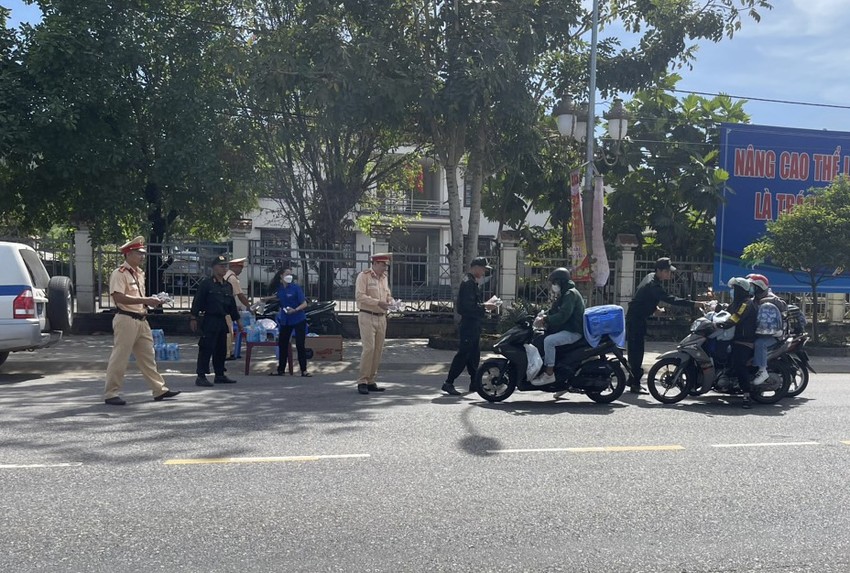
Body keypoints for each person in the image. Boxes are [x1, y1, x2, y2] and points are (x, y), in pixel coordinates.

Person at [103, 236, 181, 405]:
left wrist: (152, 301)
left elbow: (138, 297)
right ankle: (111, 393)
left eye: (143, 253)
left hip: (141, 319)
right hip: (126, 319)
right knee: (120, 357)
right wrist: (145, 300)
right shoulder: (119, 273)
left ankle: (159, 390)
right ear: (129, 253)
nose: (142, 256)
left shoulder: (139, 274)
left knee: (148, 357)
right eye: (139, 253)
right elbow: (118, 297)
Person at [626, 257, 703, 393]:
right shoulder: (653, 285)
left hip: (637, 318)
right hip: (636, 320)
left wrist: (655, 309)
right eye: (667, 271)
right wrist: (694, 303)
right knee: (636, 352)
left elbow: (644, 298)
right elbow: (670, 299)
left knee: (635, 351)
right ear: (660, 271)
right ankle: (635, 383)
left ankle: (632, 380)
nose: (670, 274)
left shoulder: (651, 278)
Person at [441, 257, 498, 396]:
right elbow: (466, 307)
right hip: (468, 324)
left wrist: (484, 306)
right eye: (483, 269)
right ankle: (448, 382)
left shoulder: (472, 282)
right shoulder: (468, 283)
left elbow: (472, 305)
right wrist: (485, 306)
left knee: (474, 355)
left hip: (474, 324)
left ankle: (475, 383)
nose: (484, 272)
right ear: (476, 267)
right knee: (464, 354)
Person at [190, 255, 244, 387]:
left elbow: (231, 306)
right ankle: (201, 376)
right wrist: (193, 317)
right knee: (206, 348)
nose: (224, 268)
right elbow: (197, 302)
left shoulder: (227, 286)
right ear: (214, 268)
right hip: (210, 320)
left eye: (225, 266)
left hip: (222, 320)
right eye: (221, 266)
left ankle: (219, 374)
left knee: (221, 349)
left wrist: (238, 321)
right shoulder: (206, 284)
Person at [531, 267, 585, 386]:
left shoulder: (570, 294)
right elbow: (555, 310)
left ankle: (549, 374)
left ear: (561, 282)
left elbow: (563, 315)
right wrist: (543, 314)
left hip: (573, 331)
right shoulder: (565, 293)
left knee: (549, 341)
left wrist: (546, 319)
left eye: (555, 282)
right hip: (567, 329)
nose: (553, 286)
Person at [355, 253, 395, 394]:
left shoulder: (383, 278)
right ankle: (363, 380)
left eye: (386, 265)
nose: (385, 268)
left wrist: (391, 301)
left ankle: (371, 380)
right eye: (383, 265)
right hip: (367, 315)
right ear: (376, 263)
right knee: (369, 349)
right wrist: (378, 302)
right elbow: (360, 296)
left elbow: (387, 294)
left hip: (381, 317)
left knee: (378, 349)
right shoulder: (364, 276)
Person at [717, 276, 758, 408]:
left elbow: (736, 317)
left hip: (744, 340)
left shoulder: (746, 303)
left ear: (741, 290)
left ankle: (746, 395)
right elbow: (727, 312)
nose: (732, 291)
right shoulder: (737, 302)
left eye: (734, 289)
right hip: (734, 338)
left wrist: (723, 325)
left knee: (740, 364)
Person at [267, 267, 311, 377]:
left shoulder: (296, 288)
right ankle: (281, 369)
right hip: (285, 320)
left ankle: (304, 370)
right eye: (287, 274)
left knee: (300, 345)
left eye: (291, 274)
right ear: (281, 276)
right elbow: (278, 297)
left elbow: (304, 303)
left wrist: (295, 310)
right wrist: (265, 299)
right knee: (283, 344)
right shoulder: (280, 288)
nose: (289, 276)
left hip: (298, 319)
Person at [747, 273, 787, 387]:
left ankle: (762, 371)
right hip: (760, 332)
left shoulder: (770, 297)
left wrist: (771, 300)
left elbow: (784, 305)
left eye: (752, 286)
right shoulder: (754, 299)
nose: (750, 288)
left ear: (759, 287)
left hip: (774, 335)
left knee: (760, 344)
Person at [224, 257, 251, 360]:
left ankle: (227, 352)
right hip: (226, 309)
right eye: (240, 268)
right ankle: (227, 354)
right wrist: (249, 306)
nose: (241, 270)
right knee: (228, 331)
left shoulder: (226, 275)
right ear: (234, 267)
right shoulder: (232, 277)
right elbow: (240, 295)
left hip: (225, 307)